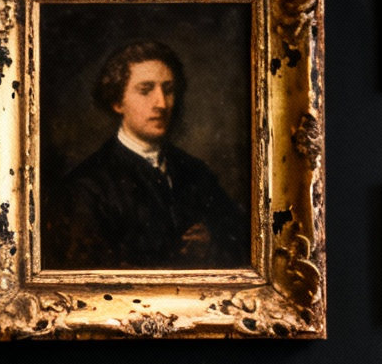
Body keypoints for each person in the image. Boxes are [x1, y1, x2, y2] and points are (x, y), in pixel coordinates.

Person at [46, 37, 247, 269]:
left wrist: (213, 243)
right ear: (117, 102)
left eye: (169, 90)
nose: (161, 103)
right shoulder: (85, 187)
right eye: (145, 90)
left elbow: (242, 243)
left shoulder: (196, 172)